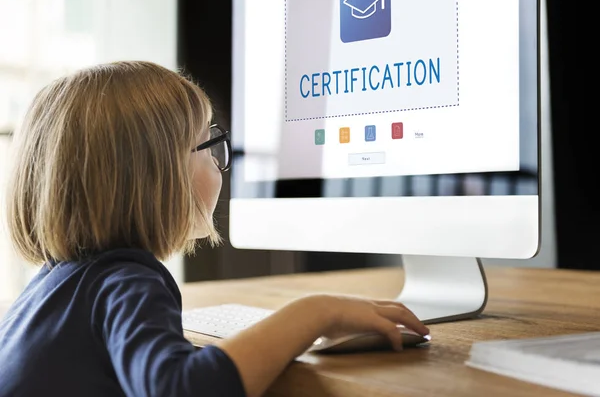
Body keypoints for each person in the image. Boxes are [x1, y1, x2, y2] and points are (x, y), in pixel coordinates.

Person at [0, 61, 429, 397]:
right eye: (208, 144)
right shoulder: (127, 282)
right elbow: (185, 389)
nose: (220, 162)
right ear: (157, 175)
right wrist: (315, 312)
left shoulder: (51, 288)